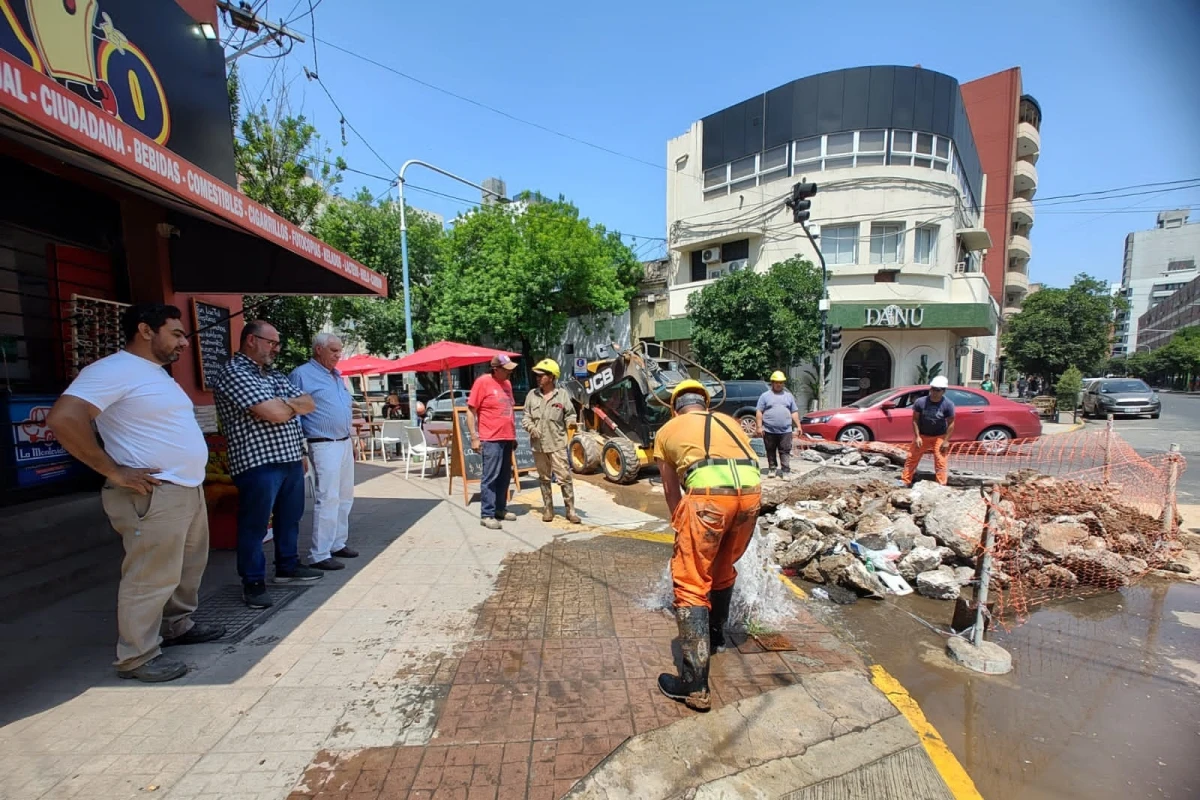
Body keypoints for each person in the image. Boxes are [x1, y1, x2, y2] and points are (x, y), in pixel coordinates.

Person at [47, 303, 224, 682]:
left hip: (185, 489)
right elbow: (63, 418)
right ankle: (137, 656)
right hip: (152, 494)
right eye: (176, 334)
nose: (183, 342)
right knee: (149, 575)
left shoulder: (158, 374)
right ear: (146, 330)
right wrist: (112, 470)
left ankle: (179, 626)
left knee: (186, 569)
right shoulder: (112, 370)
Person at [653, 379, 762, 712]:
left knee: (690, 580)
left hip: (708, 499)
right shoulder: (729, 422)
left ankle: (694, 685)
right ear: (705, 404)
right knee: (723, 567)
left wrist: (681, 527)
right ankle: (715, 639)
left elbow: (673, 491)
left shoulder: (667, 430)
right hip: (752, 496)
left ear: (675, 408)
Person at [211, 320, 324, 608]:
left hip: (289, 458)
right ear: (251, 340)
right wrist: (283, 406)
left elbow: (309, 403)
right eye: (271, 343)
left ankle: (287, 566)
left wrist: (282, 407)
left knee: (291, 516)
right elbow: (273, 413)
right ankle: (253, 582)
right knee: (255, 525)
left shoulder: (272, 374)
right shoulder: (232, 373)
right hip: (257, 462)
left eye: (277, 343)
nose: (276, 348)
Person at [290, 333, 358, 572]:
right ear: (318, 349)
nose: (338, 356)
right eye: (333, 351)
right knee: (327, 497)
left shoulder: (337, 376)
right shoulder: (301, 375)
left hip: (343, 442)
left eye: (339, 351)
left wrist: (352, 441)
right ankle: (319, 553)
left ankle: (338, 542)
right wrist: (300, 450)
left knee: (345, 495)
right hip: (322, 443)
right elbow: (294, 414)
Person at [523, 358, 582, 524]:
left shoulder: (562, 395)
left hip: (557, 444)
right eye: (537, 375)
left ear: (551, 377)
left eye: (541, 375)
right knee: (544, 478)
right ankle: (548, 509)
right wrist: (531, 428)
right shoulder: (531, 396)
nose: (538, 378)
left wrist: (571, 422)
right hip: (538, 446)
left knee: (564, 478)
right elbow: (526, 417)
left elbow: (570, 414)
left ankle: (570, 511)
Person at [467, 353, 519, 530]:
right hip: (491, 439)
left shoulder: (507, 384)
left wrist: (513, 436)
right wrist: (474, 437)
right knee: (490, 476)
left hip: (506, 438)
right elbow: (471, 411)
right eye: (506, 370)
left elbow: (509, 411)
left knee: (505, 477)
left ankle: (500, 509)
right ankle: (487, 514)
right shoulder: (483, 382)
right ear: (496, 369)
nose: (509, 373)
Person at [900, 375, 956, 487]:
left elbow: (951, 423)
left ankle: (941, 485)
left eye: (937, 390)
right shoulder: (920, 402)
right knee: (912, 457)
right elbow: (915, 419)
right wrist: (917, 437)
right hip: (923, 435)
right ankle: (905, 481)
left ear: (943, 391)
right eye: (932, 389)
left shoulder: (948, 405)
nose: (934, 392)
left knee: (940, 461)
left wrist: (946, 441)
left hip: (939, 436)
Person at [755, 370, 801, 479]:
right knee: (770, 450)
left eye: (781, 382)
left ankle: (785, 471)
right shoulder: (765, 396)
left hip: (785, 430)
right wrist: (759, 427)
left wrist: (799, 425)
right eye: (776, 382)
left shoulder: (788, 396)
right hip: (769, 430)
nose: (779, 384)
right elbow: (759, 412)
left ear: (783, 383)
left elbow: (794, 411)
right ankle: (772, 468)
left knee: (785, 450)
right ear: (772, 383)